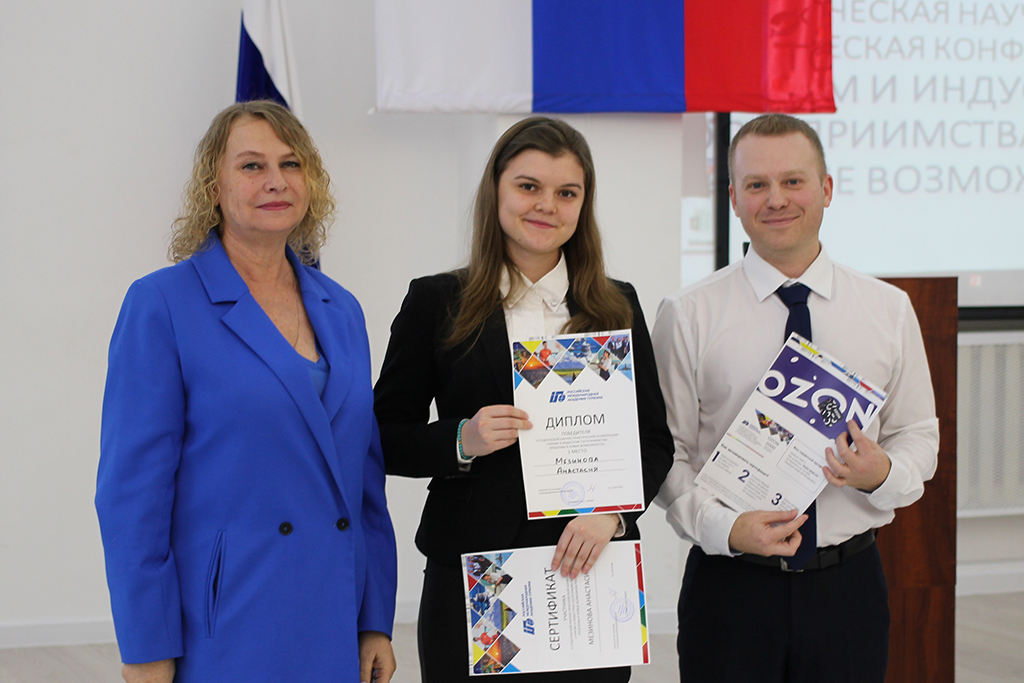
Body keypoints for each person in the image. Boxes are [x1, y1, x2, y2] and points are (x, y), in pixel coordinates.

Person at [95, 101, 397, 683]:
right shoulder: (161, 304)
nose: (276, 181)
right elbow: (132, 497)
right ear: (213, 187)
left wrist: (374, 620)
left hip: (333, 617)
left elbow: (364, 488)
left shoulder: (342, 309)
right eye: (252, 166)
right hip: (226, 623)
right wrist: (146, 647)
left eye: (291, 164)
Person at [374, 116, 674, 682]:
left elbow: (654, 442)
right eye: (528, 186)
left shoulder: (617, 305)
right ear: (496, 190)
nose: (547, 206)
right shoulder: (436, 301)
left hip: (588, 568)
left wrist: (614, 515)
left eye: (567, 193)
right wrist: (462, 439)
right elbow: (385, 438)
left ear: (583, 204)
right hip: (475, 573)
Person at [652, 113, 939, 682]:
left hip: (849, 587)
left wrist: (883, 473)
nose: (776, 199)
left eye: (793, 181)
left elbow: (917, 435)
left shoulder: (888, 309)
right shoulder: (687, 314)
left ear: (826, 189)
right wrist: (725, 529)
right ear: (734, 199)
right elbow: (666, 455)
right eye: (757, 184)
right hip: (730, 586)